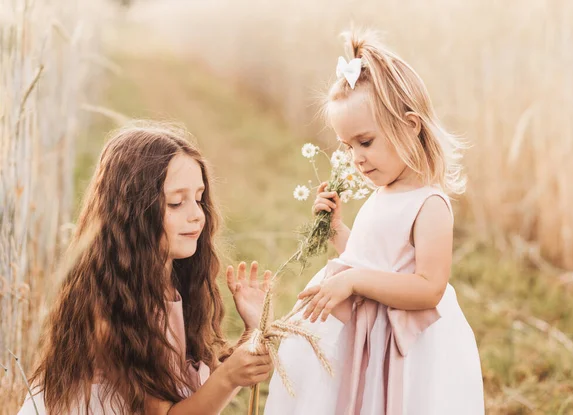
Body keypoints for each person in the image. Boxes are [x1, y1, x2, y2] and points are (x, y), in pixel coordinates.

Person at [265, 29, 484, 415]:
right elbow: (372, 258)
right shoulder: (383, 195)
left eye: (365, 142)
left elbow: (429, 288)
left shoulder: (429, 204)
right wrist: (336, 230)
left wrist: (353, 280)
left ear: (411, 126)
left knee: (394, 401)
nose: (357, 159)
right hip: (364, 333)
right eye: (348, 148)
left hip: (400, 343)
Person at [18, 121, 273, 414]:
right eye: (176, 203)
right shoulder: (111, 304)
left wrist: (250, 337)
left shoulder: (173, 282)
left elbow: (202, 398)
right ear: (133, 214)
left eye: (199, 199)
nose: (196, 216)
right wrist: (229, 377)